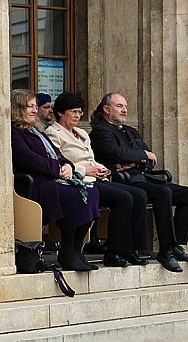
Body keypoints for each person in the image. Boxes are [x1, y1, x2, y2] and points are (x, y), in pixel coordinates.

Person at [89, 92, 188, 272]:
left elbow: (151, 158)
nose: (124, 110)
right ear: (106, 109)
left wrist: (135, 160)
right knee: (163, 193)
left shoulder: (130, 131)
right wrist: (140, 157)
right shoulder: (101, 131)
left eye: (125, 106)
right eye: (119, 106)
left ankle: (176, 244)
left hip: (142, 177)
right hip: (124, 181)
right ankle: (166, 250)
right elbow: (117, 154)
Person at [45, 92, 150, 268]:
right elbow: (59, 162)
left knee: (138, 194)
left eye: (80, 112)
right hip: (77, 180)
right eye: (74, 112)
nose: (78, 116)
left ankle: (131, 249)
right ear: (61, 113)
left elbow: (90, 158)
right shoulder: (53, 133)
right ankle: (114, 252)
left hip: (95, 178)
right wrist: (86, 170)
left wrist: (102, 169)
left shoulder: (81, 133)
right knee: (123, 198)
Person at [11, 89, 100, 271]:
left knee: (91, 191)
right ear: (18, 108)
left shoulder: (37, 131)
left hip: (52, 177)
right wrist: (57, 169)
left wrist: (67, 165)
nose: (35, 110)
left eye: (36, 106)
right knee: (74, 196)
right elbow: (28, 159)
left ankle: (76, 249)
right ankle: (67, 250)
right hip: (35, 183)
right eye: (30, 106)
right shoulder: (15, 132)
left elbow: (58, 154)